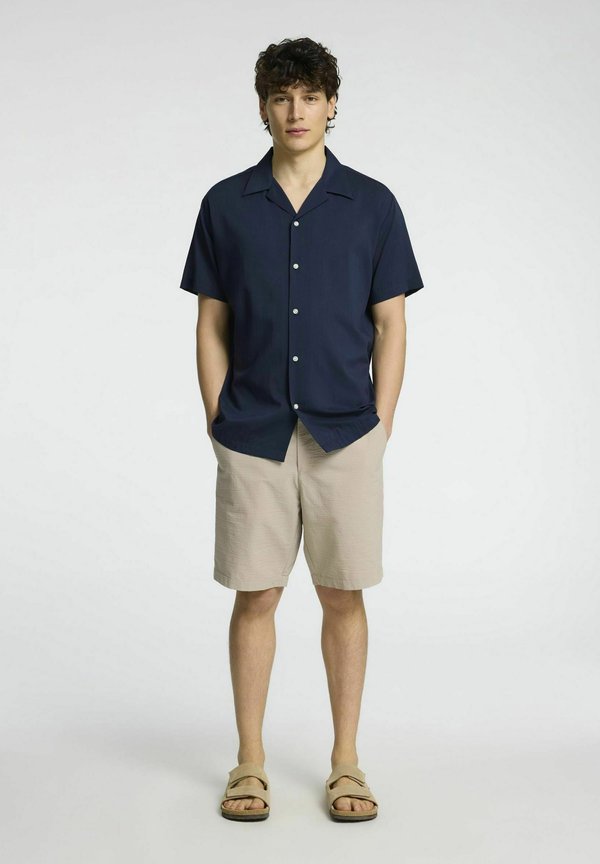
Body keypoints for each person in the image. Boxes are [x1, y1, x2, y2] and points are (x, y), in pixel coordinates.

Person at [179, 36, 424, 822]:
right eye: (282, 97)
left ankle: (346, 762)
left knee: (342, 594)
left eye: (310, 97)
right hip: (251, 433)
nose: (296, 111)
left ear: (331, 104)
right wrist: (218, 419)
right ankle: (248, 763)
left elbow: (391, 324)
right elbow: (210, 324)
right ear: (263, 106)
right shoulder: (225, 204)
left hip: (345, 434)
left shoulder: (373, 205)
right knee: (255, 596)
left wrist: (381, 426)